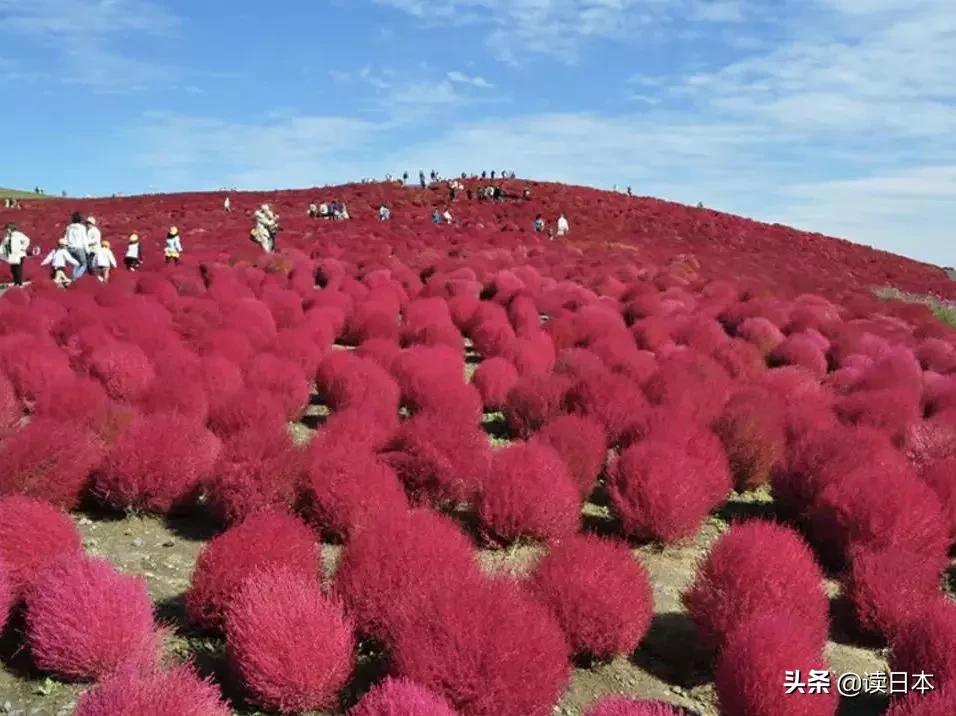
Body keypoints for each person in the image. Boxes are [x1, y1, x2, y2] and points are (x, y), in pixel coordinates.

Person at [2, 223, 31, 287]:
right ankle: (16, 282)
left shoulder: (18, 234)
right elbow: (3, 245)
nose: (6, 230)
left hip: (19, 255)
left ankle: (19, 283)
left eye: (7, 229)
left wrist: (23, 248)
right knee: (13, 269)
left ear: (11, 228)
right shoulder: (7, 236)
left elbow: (27, 240)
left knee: (18, 269)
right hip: (12, 255)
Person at [64, 211, 88, 279]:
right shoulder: (82, 227)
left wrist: (64, 247)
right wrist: (87, 250)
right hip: (79, 248)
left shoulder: (69, 227)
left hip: (70, 248)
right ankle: (76, 278)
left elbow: (66, 238)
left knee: (75, 264)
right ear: (80, 219)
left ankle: (73, 278)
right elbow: (84, 239)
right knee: (84, 264)